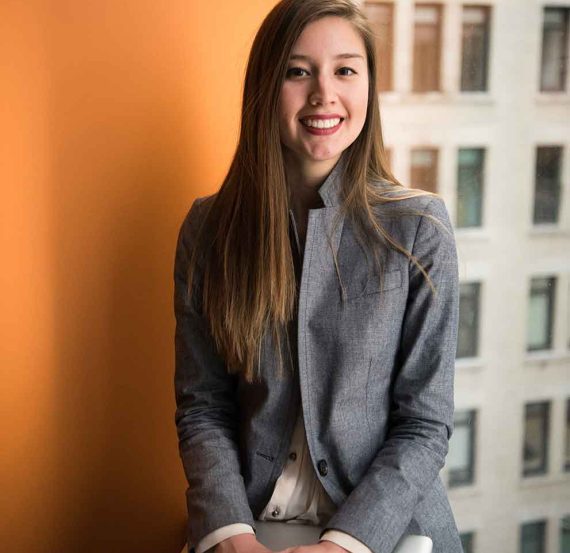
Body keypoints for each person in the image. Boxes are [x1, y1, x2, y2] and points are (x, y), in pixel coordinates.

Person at [173, 1, 463, 552]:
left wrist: (342, 546)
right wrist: (232, 535)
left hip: (386, 532)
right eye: (297, 71)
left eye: (345, 70)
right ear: (266, 85)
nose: (323, 94)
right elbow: (204, 407)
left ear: (368, 87)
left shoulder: (419, 227)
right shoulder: (208, 228)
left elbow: (424, 426)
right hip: (248, 521)